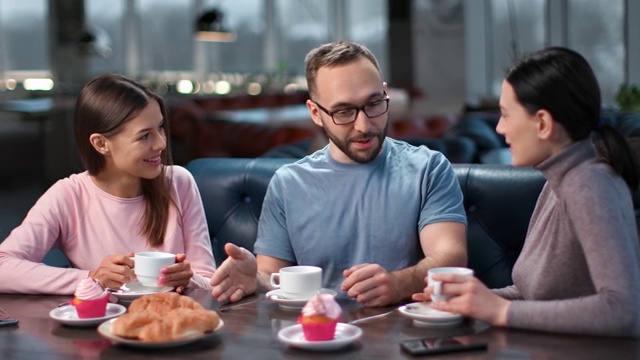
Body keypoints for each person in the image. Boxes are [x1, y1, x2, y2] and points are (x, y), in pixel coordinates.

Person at [211, 40, 467, 307]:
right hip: (316, 332)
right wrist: (255, 279)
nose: (364, 125)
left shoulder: (429, 168)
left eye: (374, 103)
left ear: (385, 93)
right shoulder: (288, 183)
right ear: (315, 113)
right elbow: (273, 277)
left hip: (403, 330)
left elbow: (451, 257)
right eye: (344, 112)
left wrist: (400, 283)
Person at [413, 47, 640, 337]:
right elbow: (534, 296)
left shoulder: (589, 185)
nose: (499, 127)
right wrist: (471, 301)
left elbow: (623, 311)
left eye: (506, 115)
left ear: (543, 124)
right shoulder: (558, 180)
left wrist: (500, 311)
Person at [0, 74, 216, 294]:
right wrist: (92, 278)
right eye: (144, 136)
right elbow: (3, 266)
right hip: (100, 324)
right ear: (101, 143)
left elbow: (208, 281)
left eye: (160, 127)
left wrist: (189, 280)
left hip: (170, 322)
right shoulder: (69, 195)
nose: (161, 143)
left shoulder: (179, 183)